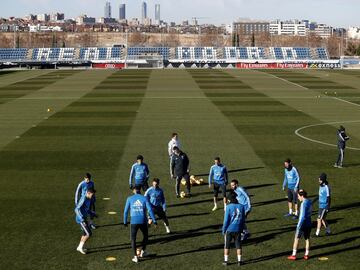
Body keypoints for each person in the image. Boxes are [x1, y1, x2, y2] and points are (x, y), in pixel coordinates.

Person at [222, 191, 246, 266]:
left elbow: (226, 220)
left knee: (227, 245)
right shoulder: (242, 207)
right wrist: (242, 229)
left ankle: (226, 261)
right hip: (238, 229)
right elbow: (243, 220)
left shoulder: (228, 207)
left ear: (229, 199)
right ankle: (239, 261)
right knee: (238, 245)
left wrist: (223, 230)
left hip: (229, 229)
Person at [287, 189, 312, 261]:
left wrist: (299, 225)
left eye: (298, 196)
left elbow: (302, 216)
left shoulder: (303, 204)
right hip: (309, 223)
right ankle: (306, 254)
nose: (298, 198)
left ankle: (294, 255)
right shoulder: (309, 201)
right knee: (307, 239)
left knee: (296, 239)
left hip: (302, 224)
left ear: (302, 196)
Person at [75, 188, 96, 255]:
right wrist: (81, 218)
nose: (93, 196)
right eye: (92, 195)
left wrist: (93, 213)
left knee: (84, 233)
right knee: (88, 234)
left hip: (84, 218)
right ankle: (80, 247)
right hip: (81, 219)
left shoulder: (88, 199)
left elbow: (87, 209)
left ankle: (79, 247)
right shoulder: (83, 198)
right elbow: (76, 209)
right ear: (88, 193)